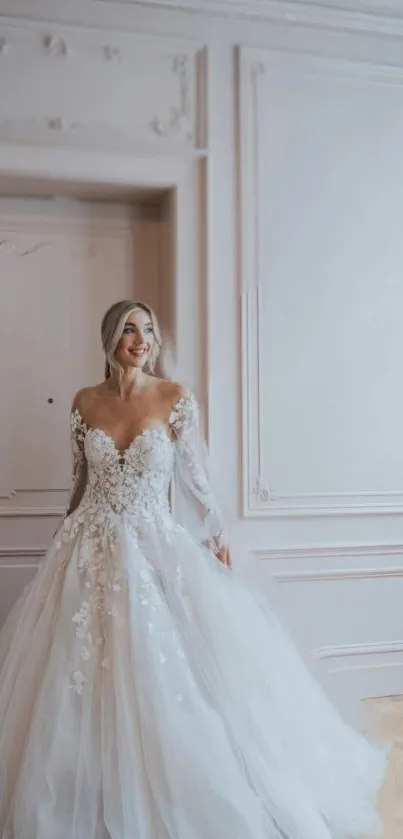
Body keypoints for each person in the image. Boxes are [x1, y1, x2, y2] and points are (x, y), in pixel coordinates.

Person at [0, 299, 387, 839]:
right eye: (130, 330)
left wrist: (217, 534)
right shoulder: (85, 401)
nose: (142, 339)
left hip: (153, 539)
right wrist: (62, 545)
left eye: (149, 330)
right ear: (109, 337)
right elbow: (80, 481)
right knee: (75, 676)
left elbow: (195, 476)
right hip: (86, 544)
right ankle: (84, 788)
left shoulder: (176, 398)